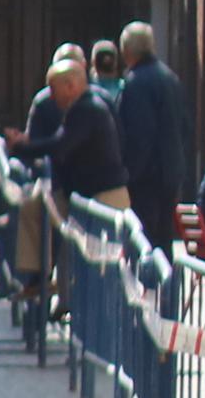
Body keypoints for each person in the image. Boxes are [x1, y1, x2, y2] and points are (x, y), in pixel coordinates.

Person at [110, 20, 190, 251]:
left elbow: (138, 136)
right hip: (170, 174)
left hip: (146, 180)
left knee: (144, 243)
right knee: (163, 242)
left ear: (126, 51)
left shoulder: (136, 84)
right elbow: (185, 126)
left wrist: (128, 175)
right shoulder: (170, 78)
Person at [18, 44, 130, 205]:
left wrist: (22, 148)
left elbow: (61, 144)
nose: (53, 97)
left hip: (102, 194)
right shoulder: (83, 104)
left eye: (55, 89)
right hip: (82, 192)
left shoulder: (88, 107)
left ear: (70, 85)